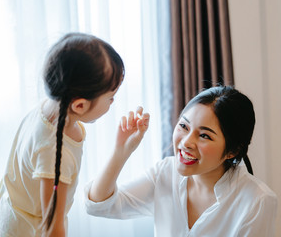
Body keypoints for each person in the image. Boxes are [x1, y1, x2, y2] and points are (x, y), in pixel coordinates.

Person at [85, 86, 278, 237]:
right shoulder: (165, 173)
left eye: (204, 135)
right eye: (184, 126)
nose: (186, 143)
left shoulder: (257, 201)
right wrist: (121, 151)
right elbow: (99, 205)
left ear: (233, 151)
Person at [0, 32, 127, 237]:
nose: (113, 102)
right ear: (80, 105)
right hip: (26, 230)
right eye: (110, 97)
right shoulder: (54, 152)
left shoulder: (49, 107)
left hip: (9, 212)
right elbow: (53, 227)